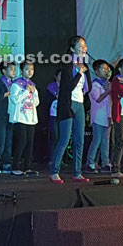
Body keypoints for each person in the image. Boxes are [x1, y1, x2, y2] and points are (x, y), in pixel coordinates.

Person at [50, 36, 92, 184]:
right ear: (73, 48)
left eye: (85, 45)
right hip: (68, 103)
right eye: (80, 46)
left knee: (79, 140)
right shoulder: (67, 64)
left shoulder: (82, 64)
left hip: (79, 103)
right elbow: (68, 87)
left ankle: (77, 172)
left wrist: (83, 73)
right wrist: (79, 73)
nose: (84, 48)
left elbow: (88, 87)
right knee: (64, 138)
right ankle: (54, 172)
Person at [9, 61, 40, 176]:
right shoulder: (16, 84)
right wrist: (26, 91)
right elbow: (14, 100)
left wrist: (34, 92)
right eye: (27, 69)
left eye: (32, 69)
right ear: (21, 71)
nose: (30, 71)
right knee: (21, 142)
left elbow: (36, 103)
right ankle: (15, 166)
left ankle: (27, 167)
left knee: (30, 143)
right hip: (20, 117)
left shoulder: (33, 85)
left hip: (31, 118)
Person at [85, 60, 113, 174]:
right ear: (96, 72)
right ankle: (90, 163)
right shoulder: (94, 84)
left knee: (106, 141)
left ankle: (105, 163)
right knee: (96, 140)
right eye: (103, 69)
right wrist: (108, 91)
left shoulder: (107, 83)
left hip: (107, 116)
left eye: (108, 69)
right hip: (98, 116)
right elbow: (98, 98)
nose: (106, 71)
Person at [0, 61, 16, 174]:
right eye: (11, 69)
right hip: (0, 116)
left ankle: (7, 163)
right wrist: (7, 93)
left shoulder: (15, 83)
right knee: (1, 141)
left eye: (14, 69)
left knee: (9, 141)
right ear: (4, 71)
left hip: (10, 115)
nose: (14, 72)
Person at [44, 69, 61, 161]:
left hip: (63, 114)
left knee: (62, 137)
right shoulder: (51, 86)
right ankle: (52, 158)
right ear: (55, 76)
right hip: (53, 114)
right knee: (55, 135)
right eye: (59, 75)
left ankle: (59, 159)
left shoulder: (67, 86)